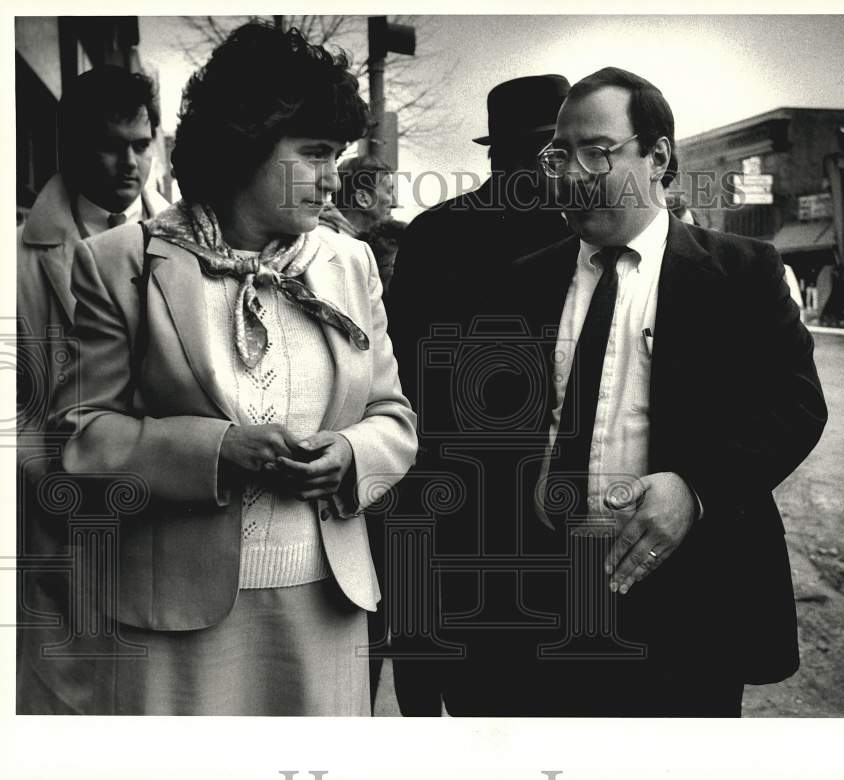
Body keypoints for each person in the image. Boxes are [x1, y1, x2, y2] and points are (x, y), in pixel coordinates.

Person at [35, 22, 417, 716]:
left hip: (327, 608)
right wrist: (216, 451)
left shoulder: (348, 264)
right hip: (177, 622)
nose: (333, 178)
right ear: (246, 148)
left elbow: (394, 419)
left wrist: (351, 454)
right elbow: (81, 438)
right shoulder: (122, 262)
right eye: (316, 153)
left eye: (338, 155)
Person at [507, 67, 827, 716]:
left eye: (597, 150)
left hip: (690, 599)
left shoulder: (741, 272)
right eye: (559, 153)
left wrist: (697, 487)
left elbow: (796, 406)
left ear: (659, 157)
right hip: (548, 598)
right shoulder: (525, 283)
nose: (570, 172)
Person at [385, 74, 572, 716]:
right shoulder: (581, 239)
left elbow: (401, 377)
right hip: (547, 521)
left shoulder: (433, 232)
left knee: (446, 697)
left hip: (443, 511)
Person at [15, 66, 169, 713]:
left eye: (141, 142)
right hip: (61, 535)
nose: (130, 161)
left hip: (168, 529)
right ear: (69, 144)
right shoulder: (18, 260)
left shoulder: (182, 243)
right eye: (111, 144)